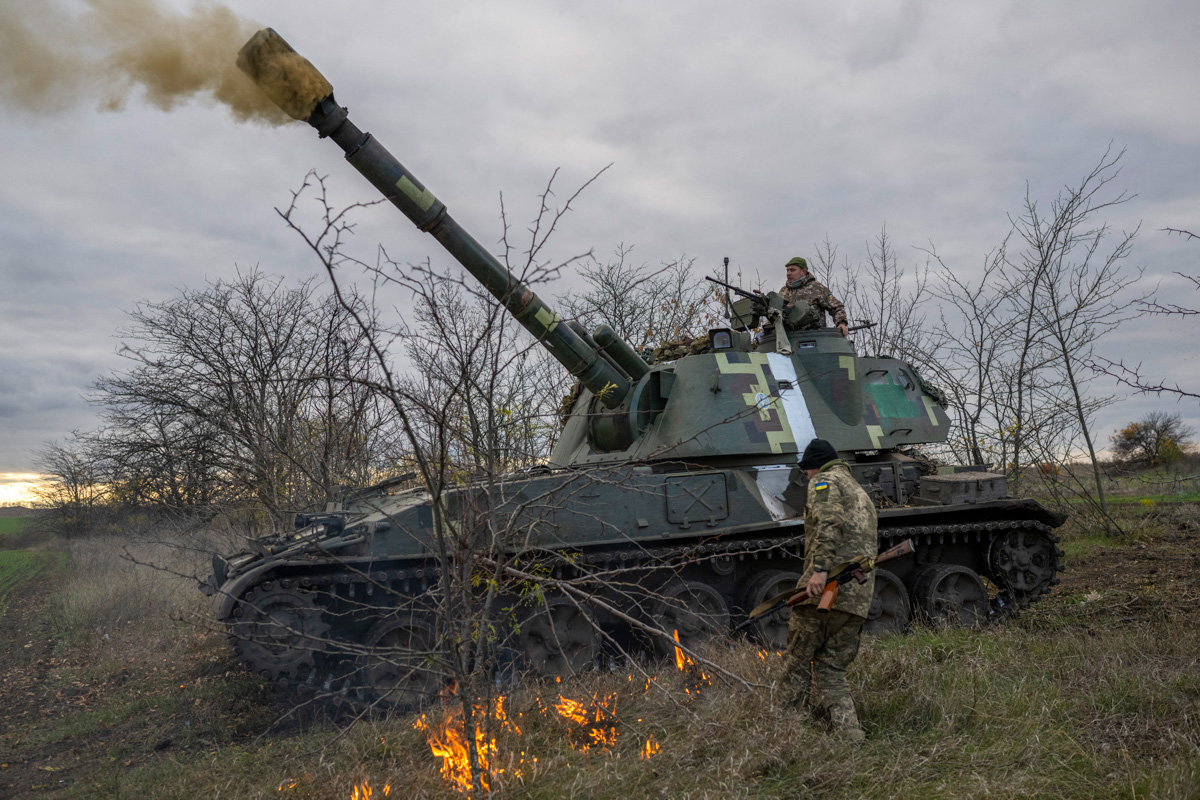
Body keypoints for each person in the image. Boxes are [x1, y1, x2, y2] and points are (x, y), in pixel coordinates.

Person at [781, 438, 878, 743]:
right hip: (857, 601)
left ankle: (785, 735)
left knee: (796, 665)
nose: (807, 478)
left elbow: (829, 522)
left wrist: (820, 570)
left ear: (813, 467)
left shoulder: (824, 480)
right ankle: (851, 736)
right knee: (832, 670)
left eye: (806, 473)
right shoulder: (859, 491)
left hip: (823, 593)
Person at [778, 257, 849, 337]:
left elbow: (836, 306)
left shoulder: (817, 288)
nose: (788, 273)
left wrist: (841, 323)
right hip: (789, 339)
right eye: (787, 270)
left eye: (792, 270)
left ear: (803, 271)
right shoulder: (784, 291)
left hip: (815, 338)